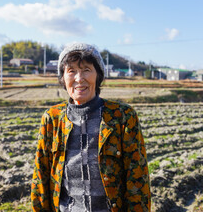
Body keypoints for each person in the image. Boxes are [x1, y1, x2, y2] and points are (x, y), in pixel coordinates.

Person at [31, 43, 151, 212]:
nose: (79, 78)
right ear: (63, 78)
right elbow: (40, 178)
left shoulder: (121, 116)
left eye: (86, 69)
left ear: (98, 75)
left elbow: (138, 180)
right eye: (71, 71)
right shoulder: (52, 119)